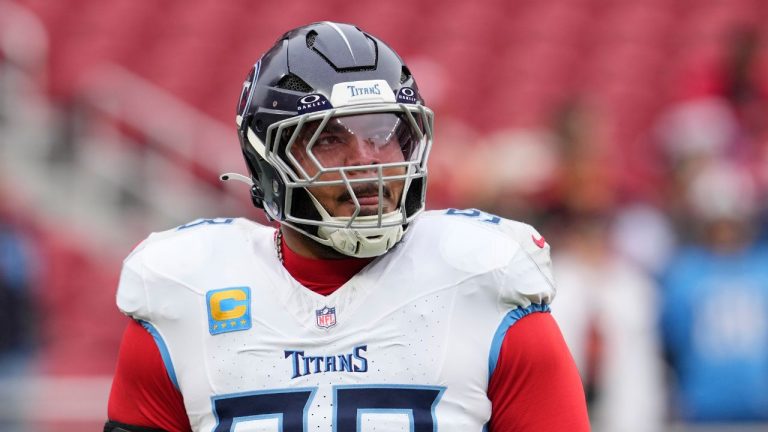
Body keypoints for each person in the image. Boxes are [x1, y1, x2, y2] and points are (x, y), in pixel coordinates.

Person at [105, 22, 589, 432]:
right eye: (328, 139)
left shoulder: (485, 283)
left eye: (383, 133)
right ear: (268, 162)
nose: (367, 161)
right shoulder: (185, 295)